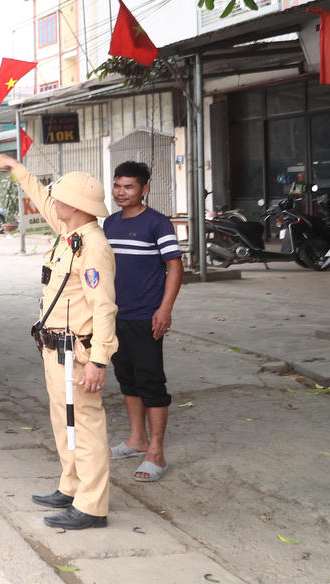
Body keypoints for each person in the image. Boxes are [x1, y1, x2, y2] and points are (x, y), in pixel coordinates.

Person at [0, 153, 118, 530]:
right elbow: (43, 199)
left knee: (87, 425)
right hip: (55, 349)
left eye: (59, 197)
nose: (52, 202)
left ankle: (92, 506)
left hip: (79, 354)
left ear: (76, 205)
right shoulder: (70, 235)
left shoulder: (92, 246)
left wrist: (99, 360)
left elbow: (105, 308)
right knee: (65, 422)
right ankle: (72, 486)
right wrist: (16, 170)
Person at [104, 161, 183, 483]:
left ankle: (156, 453)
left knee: (151, 382)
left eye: (129, 187)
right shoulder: (108, 224)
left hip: (146, 316)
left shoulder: (157, 223)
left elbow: (174, 267)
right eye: (117, 185)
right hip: (114, 316)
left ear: (144, 189)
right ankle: (137, 440)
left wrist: (165, 310)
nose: (121, 192)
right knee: (127, 378)